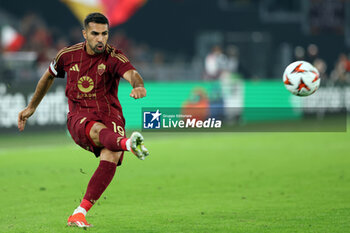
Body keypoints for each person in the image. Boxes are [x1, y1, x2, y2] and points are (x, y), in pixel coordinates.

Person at [17, 12, 149, 228]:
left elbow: (132, 74)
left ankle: (79, 212)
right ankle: (128, 144)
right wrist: (31, 107)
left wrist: (138, 85)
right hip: (80, 115)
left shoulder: (114, 56)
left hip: (110, 114)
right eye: (95, 34)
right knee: (99, 131)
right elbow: (48, 76)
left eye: (105, 34)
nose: (101, 39)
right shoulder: (67, 56)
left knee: (112, 154)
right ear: (85, 33)